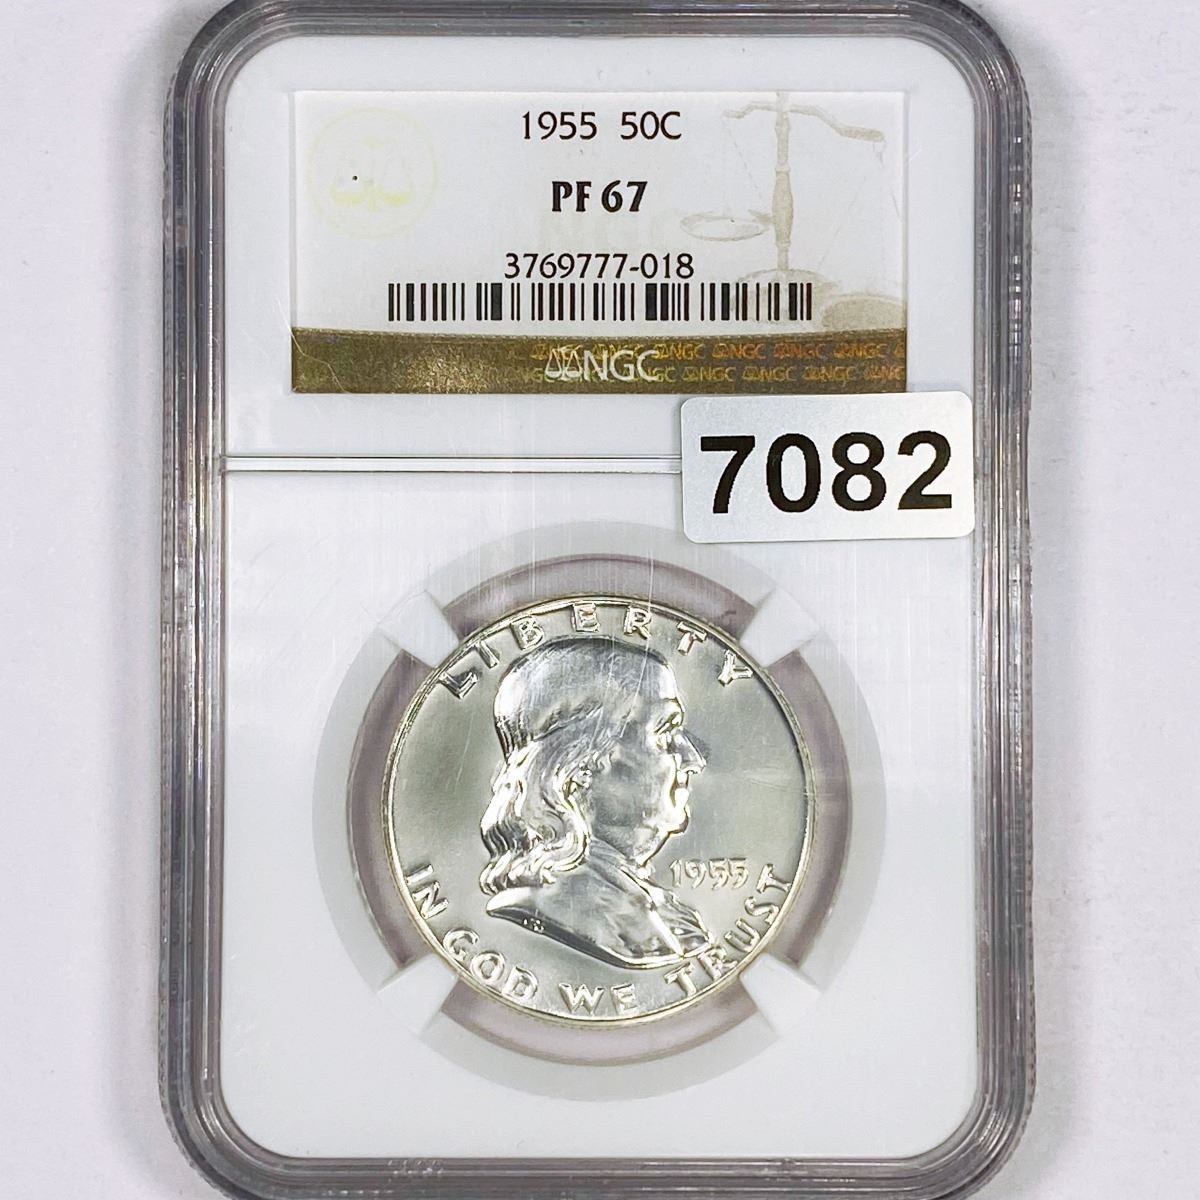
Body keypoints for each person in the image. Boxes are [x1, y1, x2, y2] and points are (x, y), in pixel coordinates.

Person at [479, 636, 710, 968]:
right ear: (578, 768)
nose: (693, 758)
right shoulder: (570, 908)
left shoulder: (664, 912)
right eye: (665, 731)